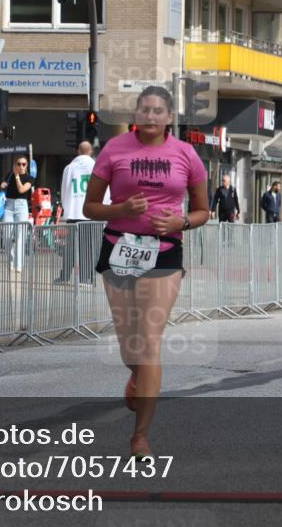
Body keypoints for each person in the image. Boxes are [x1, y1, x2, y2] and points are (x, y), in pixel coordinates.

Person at [82, 86, 209, 459]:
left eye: (158, 111)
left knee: (150, 342)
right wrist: (120, 209)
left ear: (169, 117)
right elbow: (90, 207)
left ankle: (140, 437)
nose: (150, 116)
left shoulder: (186, 154)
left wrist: (182, 221)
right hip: (119, 248)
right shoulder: (114, 149)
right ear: (136, 114)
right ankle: (137, 373)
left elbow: (203, 210)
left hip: (164, 252)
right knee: (130, 346)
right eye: (144, 110)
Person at [57, 141, 103, 284]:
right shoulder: (97, 166)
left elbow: (65, 189)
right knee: (90, 247)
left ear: (78, 151)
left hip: (74, 212)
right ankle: (86, 278)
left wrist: (67, 208)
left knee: (70, 246)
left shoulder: (69, 168)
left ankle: (65, 276)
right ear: (91, 152)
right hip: (92, 212)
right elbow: (104, 190)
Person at [0, 155, 34, 273]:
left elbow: (21, 190)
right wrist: (3, 185)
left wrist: (17, 176)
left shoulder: (30, 178)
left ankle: (18, 265)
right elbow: (4, 187)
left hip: (21, 206)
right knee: (6, 235)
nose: (21, 166)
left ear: (27, 165)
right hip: (8, 205)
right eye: (18, 164)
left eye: (23, 164)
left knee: (21, 236)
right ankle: (10, 262)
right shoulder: (9, 175)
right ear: (15, 165)